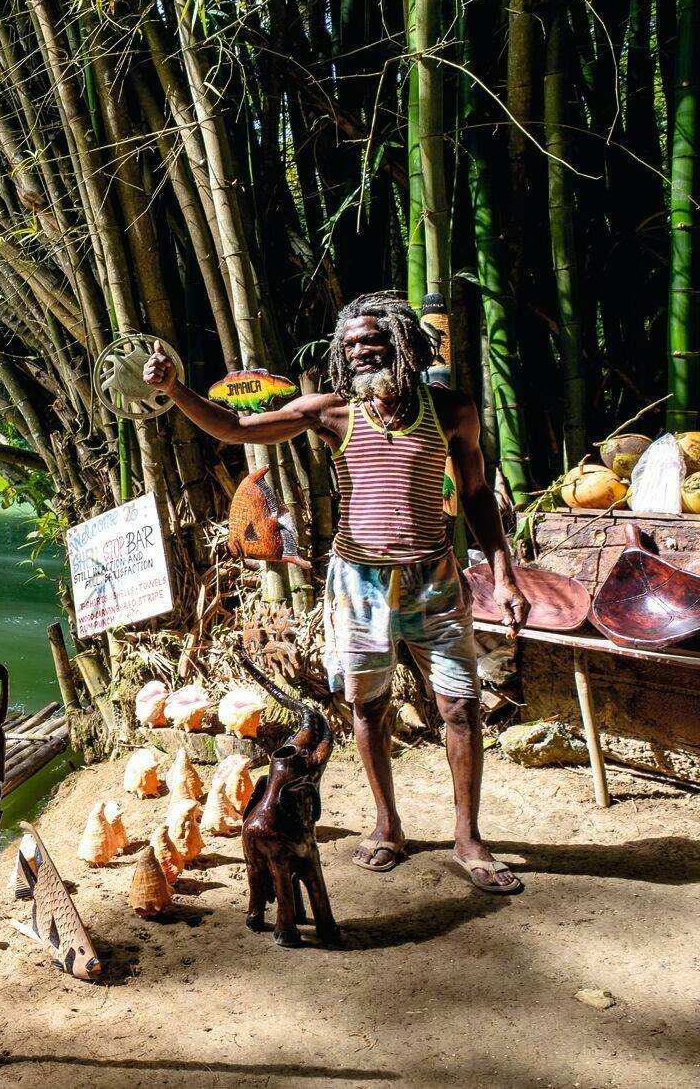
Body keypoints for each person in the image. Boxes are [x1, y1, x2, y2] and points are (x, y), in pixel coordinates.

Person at [142, 292, 531, 895]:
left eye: (370, 339)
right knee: (368, 707)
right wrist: (175, 391)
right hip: (359, 584)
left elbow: (477, 496)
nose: (358, 351)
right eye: (348, 344)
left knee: (459, 707)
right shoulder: (331, 413)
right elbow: (237, 426)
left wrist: (504, 574)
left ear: (403, 341)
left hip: (434, 580)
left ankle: (467, 838)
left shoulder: (452, 410)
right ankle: (387, 826)